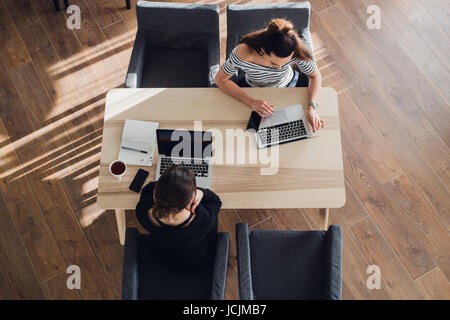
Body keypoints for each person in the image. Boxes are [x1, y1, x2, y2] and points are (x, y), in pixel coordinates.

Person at [215, 18, 324, 132]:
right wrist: (251, 101)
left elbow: (315, 76)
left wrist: (312, 107)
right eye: (273, 63)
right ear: (262, 51)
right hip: (253, 89)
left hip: (289, 87)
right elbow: (220, 79)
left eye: (285, 63)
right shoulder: (244, 52)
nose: (279, 68)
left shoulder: (295, 48)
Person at [135, 165, 222, 270]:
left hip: (160, 257)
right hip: (193, 263)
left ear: (155, 196)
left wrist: (167, 186)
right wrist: (201, 192)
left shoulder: (143, 212)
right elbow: (215, 201)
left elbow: (146, 189)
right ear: (191, 199)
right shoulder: (204, 219)